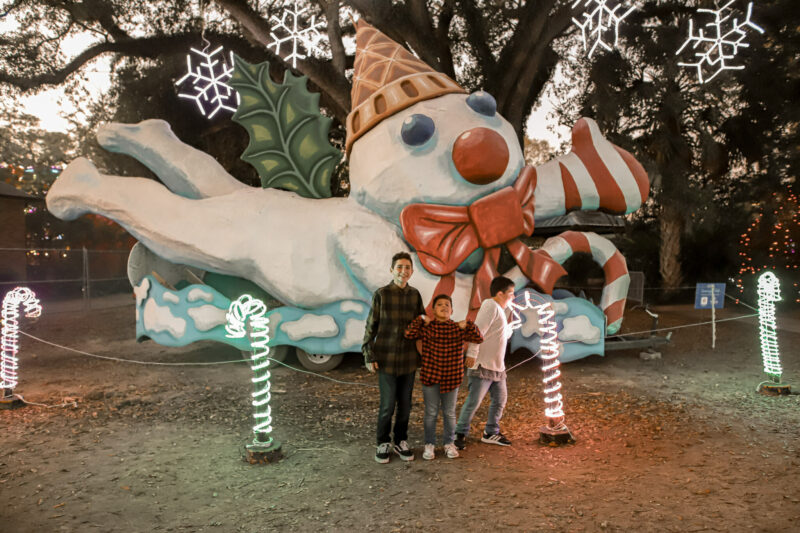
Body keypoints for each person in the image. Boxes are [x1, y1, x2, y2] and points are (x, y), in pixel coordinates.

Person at [362, 251, 426, 464]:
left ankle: (401, 441)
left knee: (405, 406)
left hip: (408, 361)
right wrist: (368, 354)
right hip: (386, 359)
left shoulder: (415, 295)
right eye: (399, 267)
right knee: (388, 405)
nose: (403, 271)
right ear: (392, 270)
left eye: (407, 267)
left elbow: (422, 325)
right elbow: (371, 326)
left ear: (411, 272)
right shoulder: (382, 294)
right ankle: (382, 442)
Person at [404, 294, 483, 460]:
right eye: (440, 305)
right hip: (430, 376)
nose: (444, 307)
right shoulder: (427, 327)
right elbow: (409, 334)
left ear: (452, 310)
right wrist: (420, 319)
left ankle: (449, 443)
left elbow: (479, 338)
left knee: (449, 413)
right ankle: (429, 444)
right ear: (433, 310)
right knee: (431, 413)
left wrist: (468, 324)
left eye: (447, 305)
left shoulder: (457, 328)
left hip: (451, 377)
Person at [454, 276, 515, 450]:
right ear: (500, 293)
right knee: (474, 401)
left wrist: (510, 328)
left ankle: (490, 432)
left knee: (500, 399)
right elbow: (478, 331)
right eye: (511, 293)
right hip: (482, 365)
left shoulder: (500, 310)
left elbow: (496, 334)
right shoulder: (490, 305)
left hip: (497, 367)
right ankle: (459, 434)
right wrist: (472, 353)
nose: (513, 297)